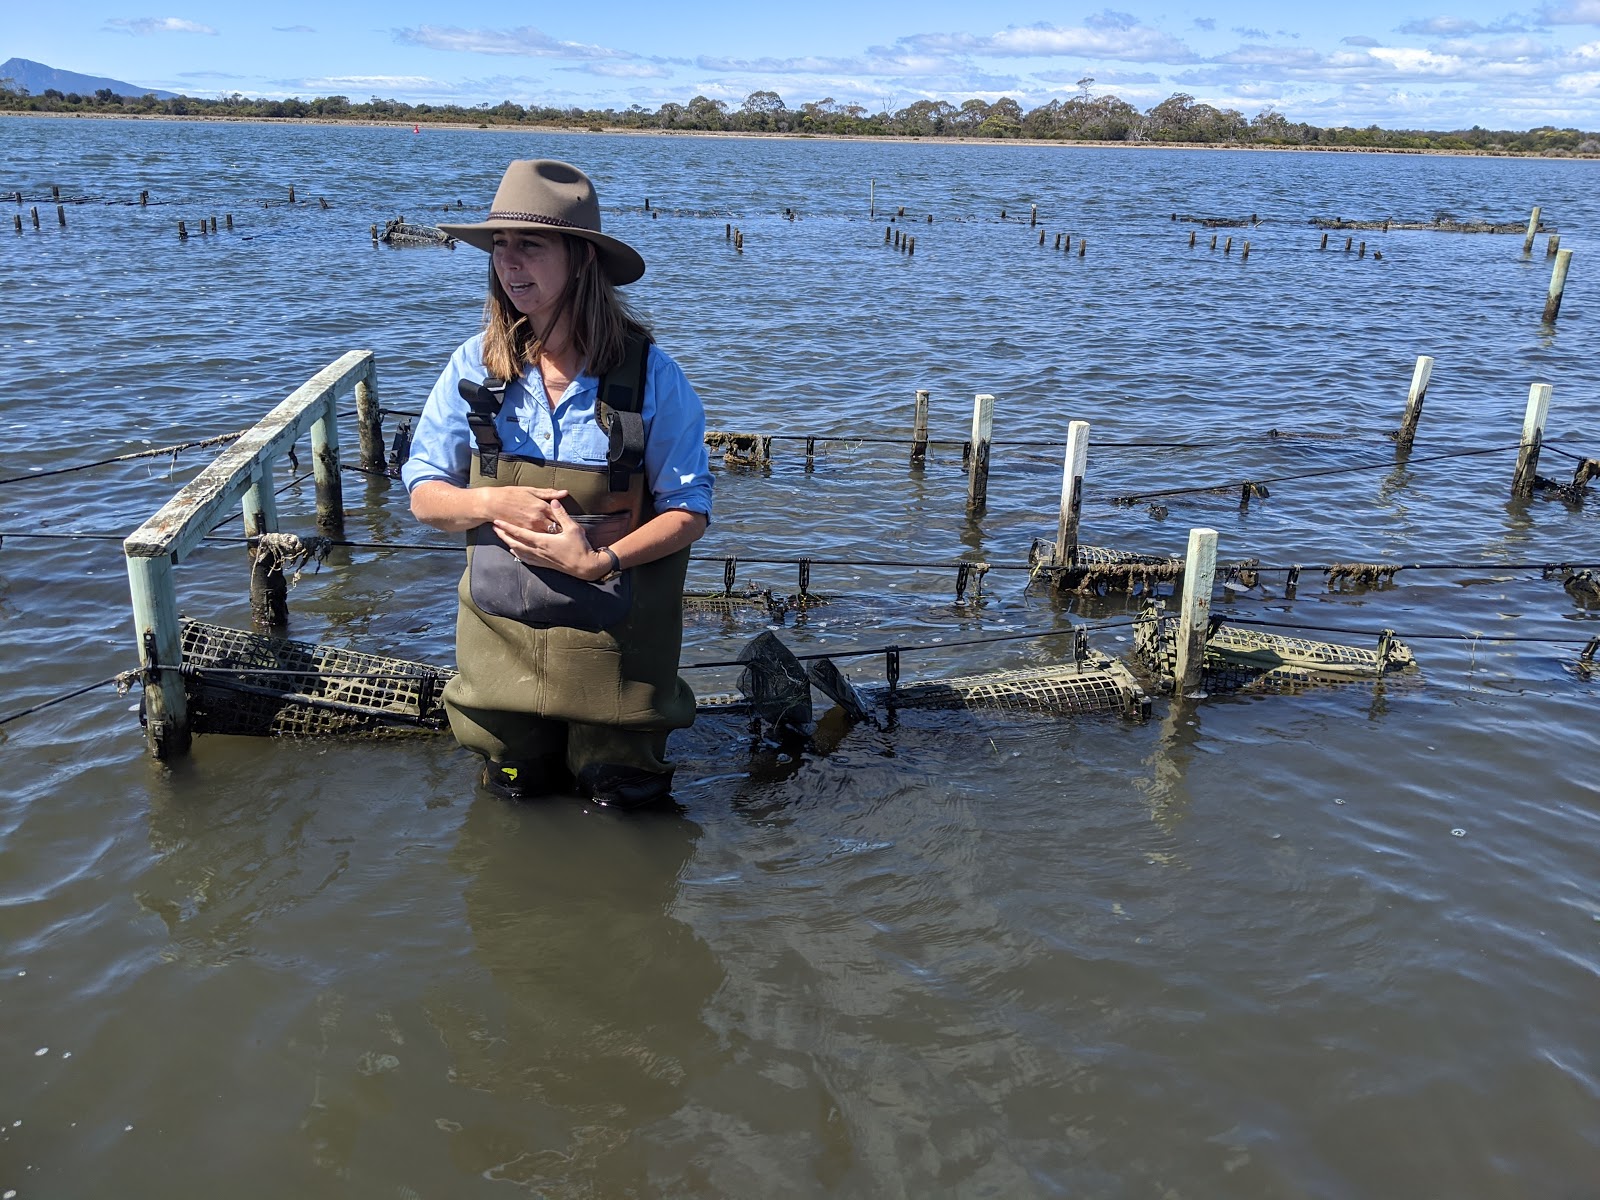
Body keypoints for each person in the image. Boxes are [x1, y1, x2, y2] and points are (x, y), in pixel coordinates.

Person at [402, 159, 712, 808]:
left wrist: (600, 560)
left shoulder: (652, 378)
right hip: (497, 660)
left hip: (618, 663)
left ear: (582, 259)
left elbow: (689, 510)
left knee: (625, 803)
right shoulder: (473, 367)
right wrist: (489, 501)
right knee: (512, 796)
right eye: (500, 248)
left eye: (531, 246)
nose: (510, 264)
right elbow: (425, 492)